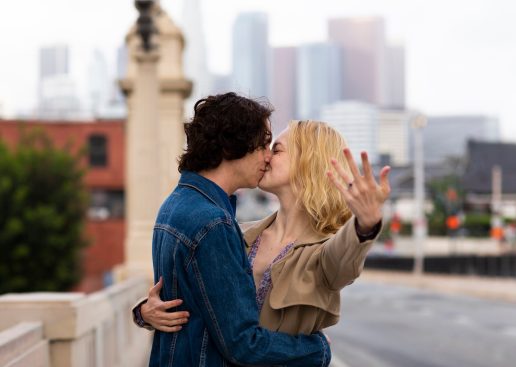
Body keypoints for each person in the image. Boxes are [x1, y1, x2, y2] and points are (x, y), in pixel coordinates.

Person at [135, 119, 391, 339]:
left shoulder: (323, 253)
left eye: (276, 150)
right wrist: (145, 312)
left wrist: (365, 224)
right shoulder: (235, 233)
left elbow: (344, 258)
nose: (265, 156)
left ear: (308, 162)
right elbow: (192, 298)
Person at [144, 93, 332, 367]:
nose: (268, 158)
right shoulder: (212, 224)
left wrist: (141, 312)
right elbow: (242, 344)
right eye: (264, 145)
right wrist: (317, 350)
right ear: (234, 146)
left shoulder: (175, 204)